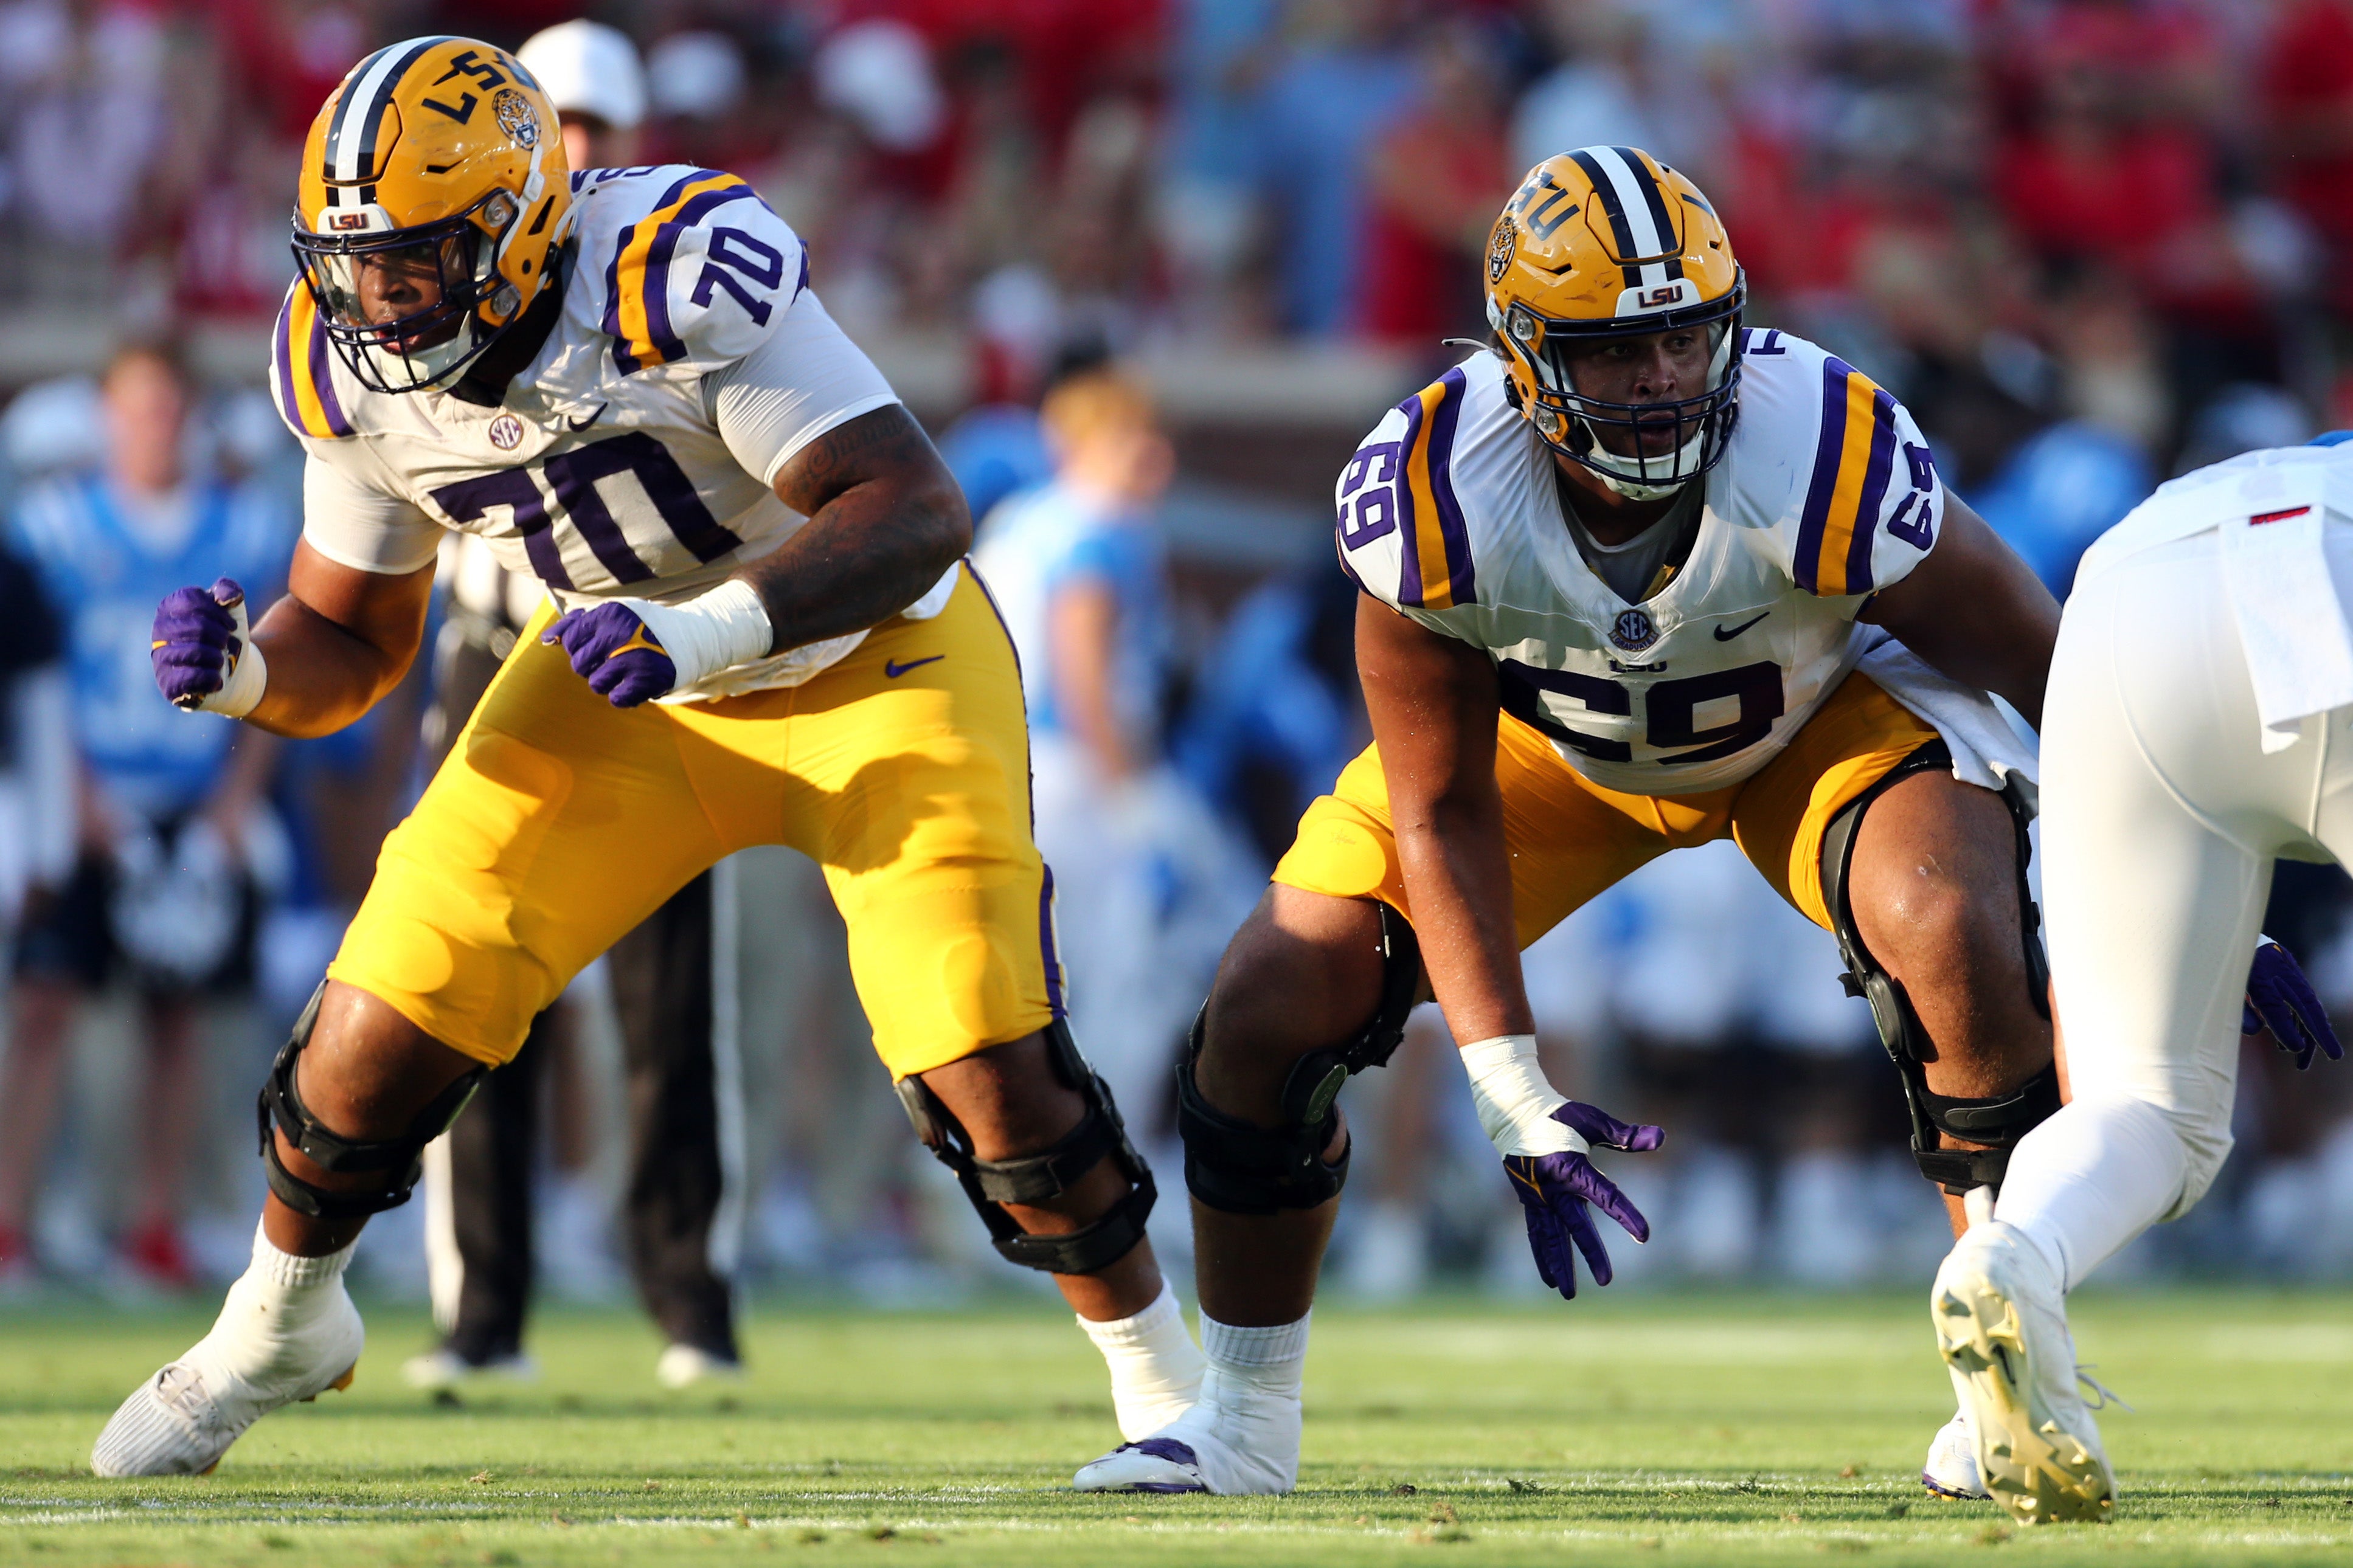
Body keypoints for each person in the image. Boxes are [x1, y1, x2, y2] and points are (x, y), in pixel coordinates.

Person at [91, 36, 1199, 1478]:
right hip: (630, 686)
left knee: (978, 1052)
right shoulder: (342, 367)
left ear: (520, 220)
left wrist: (716, 631)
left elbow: (914, 505)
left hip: (872, 661)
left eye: (419, 260)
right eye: (357, 263)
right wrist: (250, 673)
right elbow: (353, 643)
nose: (383, 299)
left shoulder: (671, 272)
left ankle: (1169, 1387)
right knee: (374, 1024)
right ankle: (277, 1321)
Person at [1078, 146, 2065, 1496]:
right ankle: (1243, 1422)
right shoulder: (1435, 488)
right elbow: (1435, 798)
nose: (1660, 377)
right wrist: (1507, 1082)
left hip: (1803, 727)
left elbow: (2036, 654)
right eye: (1613, 351)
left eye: (1681, 337)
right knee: (1267, 1000)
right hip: (1551, 758)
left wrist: (2139, 864)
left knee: (1954, 928)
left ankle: (2018, 1386)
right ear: (1525, 355)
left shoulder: (1818, 441)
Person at [401, 14, 749, 1397]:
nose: (586, 150)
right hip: (497, 653)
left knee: (672, 1015)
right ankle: (482, 1314)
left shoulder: (660, 269)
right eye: (568, 122)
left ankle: (689, 1299)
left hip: (643, 654)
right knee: (472, 984)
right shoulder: (430, 269)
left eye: (602, 127)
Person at [1927, 437, 2349, 1525]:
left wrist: (2222, 932)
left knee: (2149, 1105)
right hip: (2328, 568)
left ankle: (2011, 1264)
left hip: (2132, 584)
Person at [0, 342, 289, 1289]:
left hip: (194, 796)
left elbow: (275, 682)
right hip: (86, 790)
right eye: (136, 405)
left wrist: (228, 815)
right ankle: (13, 1223)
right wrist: (79, 807)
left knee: (181, 1010)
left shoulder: (243, 529)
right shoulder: (53, 526)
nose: (153, 424)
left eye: (169, 405)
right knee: (44, 1004)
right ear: (106, 415)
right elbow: (37, 677)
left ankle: (153, 1223)